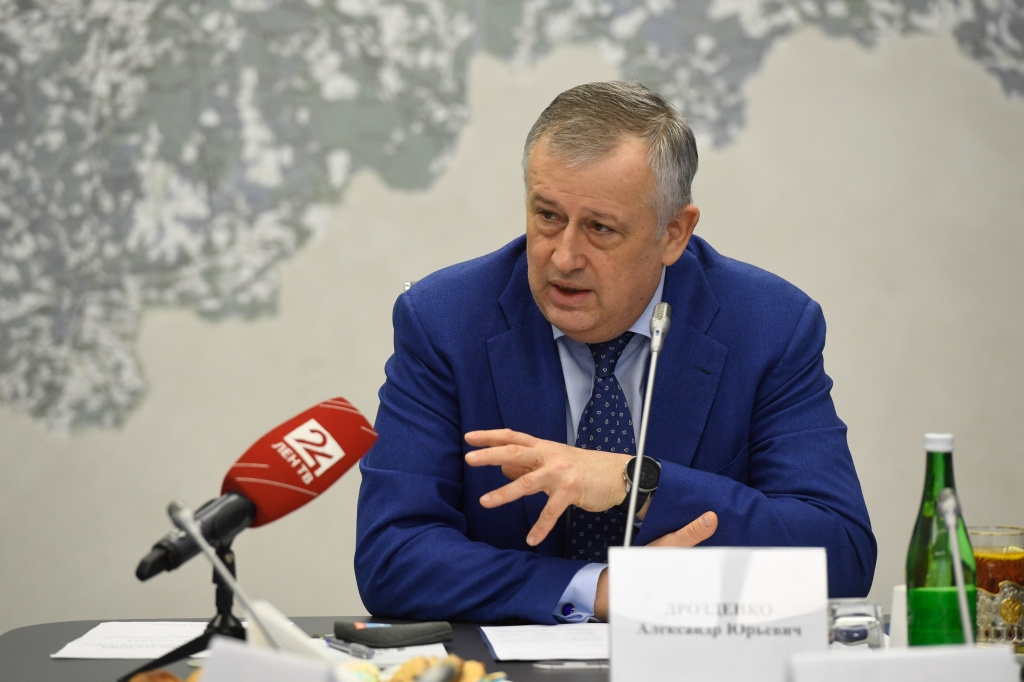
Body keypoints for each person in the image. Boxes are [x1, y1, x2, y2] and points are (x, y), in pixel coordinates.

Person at [354, 81, 875, 624]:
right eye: (547, 216)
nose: (564, 257)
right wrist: (602, 590)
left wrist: (637, 483)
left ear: (674, 233)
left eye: (600, 228)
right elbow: (393, 556)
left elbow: (840, 556)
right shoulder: (445, 321)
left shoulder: (767, 326)